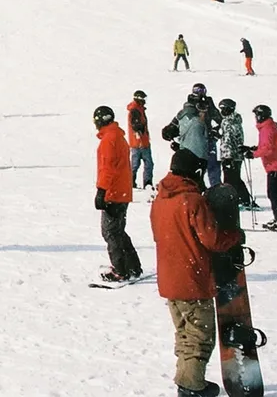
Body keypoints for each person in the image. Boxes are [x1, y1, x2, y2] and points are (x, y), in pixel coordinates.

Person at [149, 146, 241, 397]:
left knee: (184, 333)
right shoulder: (192, 201)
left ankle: (186, 379)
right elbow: (212, 240)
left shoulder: (160, 199)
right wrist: (234, 236)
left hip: (169, 278)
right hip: (192, 279)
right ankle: (191, 386)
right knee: (200, 335)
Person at [93, 106, 143, 282]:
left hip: (113, 192)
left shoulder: (109, 140)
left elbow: (108, 168)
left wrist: (102, 190)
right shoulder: (118, 136)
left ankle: (121, 270)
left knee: (110, 232)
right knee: (118, 230)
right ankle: (133, 266)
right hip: (122, 191)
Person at [162, 94, 212, 191]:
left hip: (184, 154)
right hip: (199, 156)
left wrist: (178, 143)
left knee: (185, 181)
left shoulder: (181, 116)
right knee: (196, 182)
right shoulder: (198, 121)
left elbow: (167, 132)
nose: (204, 112)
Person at [215, 98, 253, 206]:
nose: (222, 111)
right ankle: (244, 199)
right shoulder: (232, 120)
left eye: (224, 109)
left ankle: (233, 201)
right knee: (235, 178)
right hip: (234, 155)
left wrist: (228, 157)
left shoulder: (229, 122)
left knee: (230, 180)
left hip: (231, 156)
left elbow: (229, 140)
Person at [126, 90, 154, 190]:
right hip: (139, 143)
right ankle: (145, 183)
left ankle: (131, 182)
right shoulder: (135, 110)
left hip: (140, 142)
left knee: (138, 164)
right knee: (144, 164)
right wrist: (140, 131)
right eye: (144, 99)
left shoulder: (139, 109)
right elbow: (136, 125)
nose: (145, 101)